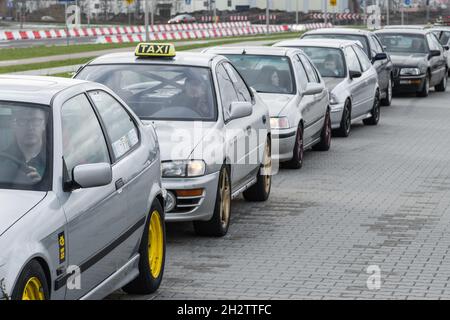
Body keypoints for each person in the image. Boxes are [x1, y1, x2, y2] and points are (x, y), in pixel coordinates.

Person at [0, 107, 48, 185]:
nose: (30, 127)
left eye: (35, 121)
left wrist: (41, 185)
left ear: (44, 124)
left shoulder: (54, 159)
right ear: (12, 125)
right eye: (22, 121)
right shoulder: (2, 161)